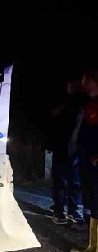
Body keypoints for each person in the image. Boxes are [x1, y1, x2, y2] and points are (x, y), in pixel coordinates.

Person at [46, 76, 86, 225]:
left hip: (77, 149)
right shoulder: (61, 102)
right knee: (60, 181)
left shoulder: (83, 102)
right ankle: (58, 211)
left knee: (75, 182)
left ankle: (73, 211)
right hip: (61, 148)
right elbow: (51, 121)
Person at [70, 66, 98, 252]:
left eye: (85, 80)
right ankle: (93, 247)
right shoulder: (91, 102)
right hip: (89, 161)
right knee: (93, 205)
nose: (83, 84)